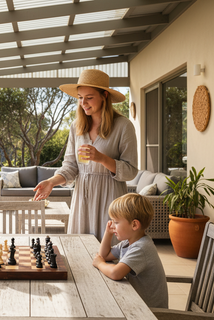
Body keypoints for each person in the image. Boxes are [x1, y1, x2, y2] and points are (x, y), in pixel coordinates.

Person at [33, 69, 137, 240]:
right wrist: (51, 182)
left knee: (109, 253)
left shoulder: (123, 126)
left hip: (110, 197)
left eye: (89, 97)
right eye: (80, 97)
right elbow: (70, 167)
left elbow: (131, 170)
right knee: (80, 249)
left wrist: (101, 158)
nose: (83, 102)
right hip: (82, 198)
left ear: (104, 95)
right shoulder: (76, 127)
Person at [92, 193, 168, 308]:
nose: (112, 225)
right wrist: (108, 233)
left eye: (116, 222)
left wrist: (100, 264)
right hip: (135, 302)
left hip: (149, 311)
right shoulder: (128, 242)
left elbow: (115, 273)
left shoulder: (141, 248)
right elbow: (105, 255)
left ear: (134, 225)